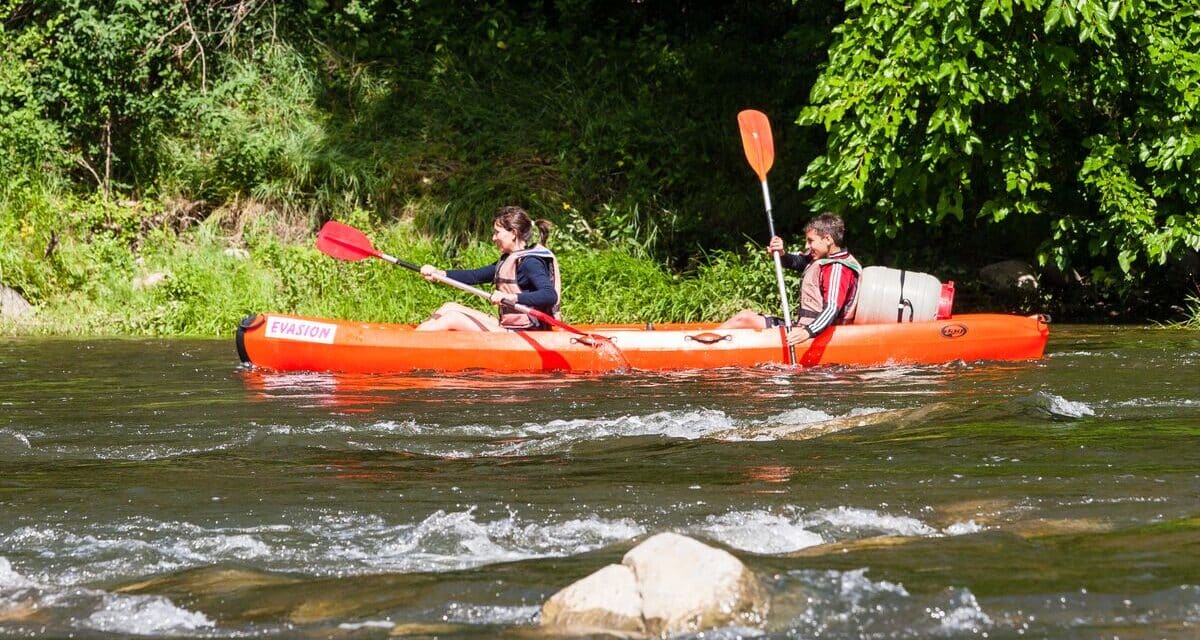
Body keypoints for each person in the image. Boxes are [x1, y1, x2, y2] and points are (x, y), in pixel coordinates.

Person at [718, 212, 861, 346]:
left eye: (810, 241)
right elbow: (799, 262)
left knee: (743, 319)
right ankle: (703, 341)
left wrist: (807, 332)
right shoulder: (824, 259)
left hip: (816, 334)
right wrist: (781, 254)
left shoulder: (838, 268)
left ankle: (702, 346)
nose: (807, 246)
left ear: (828, 239)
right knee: (744, 317)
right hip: (806, 328)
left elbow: (831, 309)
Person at [415, 206, 561, 332]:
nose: (493, 238)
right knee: (449, 307)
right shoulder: (508, 259)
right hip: (510, 327)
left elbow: (549, 295)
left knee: (453, 317)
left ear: (513, 233)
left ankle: (412, 344)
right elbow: (475, 276)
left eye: (497, 232)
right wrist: (439, 273)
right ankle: (414, 338)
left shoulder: (531, 262)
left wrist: (512, 297)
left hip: (527, 333)